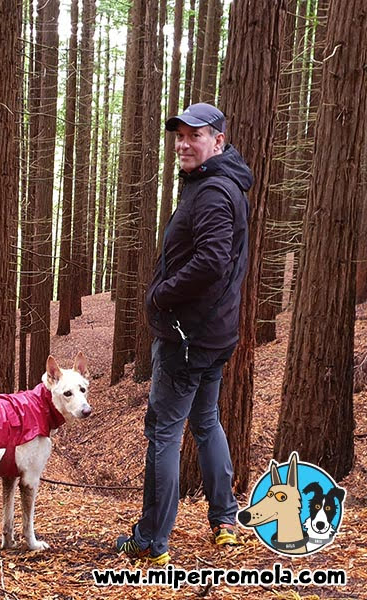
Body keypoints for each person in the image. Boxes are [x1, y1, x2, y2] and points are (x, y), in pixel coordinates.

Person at [114, 103, 253, 564]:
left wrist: (161, 295)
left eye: (195, 135)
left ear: (218, 140)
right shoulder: (215, 185)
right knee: (206, 421)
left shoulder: (213, 192)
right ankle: (225, 519)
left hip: (188, 337)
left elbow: (212, 261)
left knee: (164, 433)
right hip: (212, 334)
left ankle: (151, 540)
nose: (184, 143)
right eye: (179, 135)